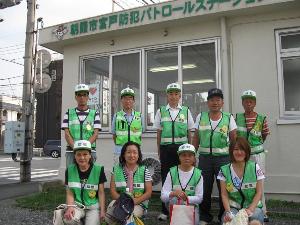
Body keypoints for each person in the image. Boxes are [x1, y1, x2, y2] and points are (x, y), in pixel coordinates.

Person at [192, 88, 237, 225]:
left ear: (222, 102)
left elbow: (234, 139)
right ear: (208, 102)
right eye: (212, 100)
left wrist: (234, 159)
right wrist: (193, 155)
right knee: (204, 188)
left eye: (218, 100)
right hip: (205, 158)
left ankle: (225, 215)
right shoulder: (201, 117)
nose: (215, 102)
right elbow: (196, 138)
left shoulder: (228, 118)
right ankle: (205, 216)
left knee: (225, 188)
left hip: (223, 159)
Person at [154, 83, 195, 221]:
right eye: (170, 93)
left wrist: (190, 150)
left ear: (180, 95)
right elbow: (158, 133)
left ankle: (183, 205)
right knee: (166, 178)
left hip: (182, 149)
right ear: (167, 95)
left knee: (182, 177)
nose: (173, 96)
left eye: (176, 93)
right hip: (166, 149)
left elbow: (190, 132)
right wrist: (159, 149)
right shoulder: (161, 111)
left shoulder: (186, 110)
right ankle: (165, 210)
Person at [236, 90, 270, 222]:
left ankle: (262, 210)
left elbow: (264, 135)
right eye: (245, 101)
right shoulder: (237, 117)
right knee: (244, 181)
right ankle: (245, 208)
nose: (248, 103)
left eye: (251, 101)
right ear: (242, 103)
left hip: (257, 155)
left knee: (259, 182)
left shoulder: (262, 118)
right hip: (243, 155)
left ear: (254, 103)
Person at [217, 137, 265, 225]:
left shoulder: (255, 167)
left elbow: (259, 192)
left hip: (252, 206)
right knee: (228, 221)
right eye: (236, 149)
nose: (239, 152)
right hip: (233, 208)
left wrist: (251, 209)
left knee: (254, 218)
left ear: (247, 152)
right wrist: (228, 212)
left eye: (242, 149)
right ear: (231, 151)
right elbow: (224, 194)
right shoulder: (223, 170)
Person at [64, 140, 106, 225]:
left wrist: (102, 211)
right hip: (77, 206)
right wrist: (70, 207)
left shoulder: (98, 170)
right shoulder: (69, 170)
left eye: (85, 154)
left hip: (93, 207)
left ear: (90, 155)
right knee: (69, 220)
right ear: (74, 156)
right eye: (78, 154)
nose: (82, 157)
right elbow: (70, 193)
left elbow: (101, 193)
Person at [161, 143, 203, 225]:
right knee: (174, 199)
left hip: (191, 206)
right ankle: (175, 218)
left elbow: (199, 198)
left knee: (194, 222)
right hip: (174, 204)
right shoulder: (172, 172)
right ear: (179, 157)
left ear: (194, 158)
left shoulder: (198, 174)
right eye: (183, 155)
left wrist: (186, 198)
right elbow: (163, 196)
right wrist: (173, 193)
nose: (187, 158)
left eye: (190, 155)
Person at [109, 141, 152, 220]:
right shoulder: (116, 169)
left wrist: (134, 201)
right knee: (110, 214)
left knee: (128, 216)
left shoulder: (144, 170)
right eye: (128, 152)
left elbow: (148, 193)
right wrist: (122, 201)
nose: (132, 155)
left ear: (138, 155)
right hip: (120, 201)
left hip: (138, 204)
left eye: (135, 152)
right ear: (123, 154)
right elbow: (112, 191)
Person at [61, 83, 101, 166]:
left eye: (84, 95)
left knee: (89, 177)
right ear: (75, 97)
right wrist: (76, 149)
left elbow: (95, 134)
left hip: (90, 151)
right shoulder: (68, 113)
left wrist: (84, 148)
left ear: (88, 97)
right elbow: (67, 134)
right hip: (71, 152)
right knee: (71, 177)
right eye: (79, 95)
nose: (82, 97)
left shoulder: (95, 114)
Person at [112, 87, 143, 164]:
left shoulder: (139, 116)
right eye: (125, 98)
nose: (128, 101)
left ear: (133, 101)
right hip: (120, 150)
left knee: (135, 173)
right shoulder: (117, 116)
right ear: (121, 100)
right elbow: (114, 135)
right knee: (119, 173)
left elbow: (141, 132)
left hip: (135, 151)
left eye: (130, 98)